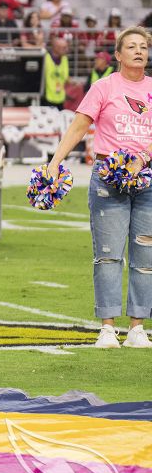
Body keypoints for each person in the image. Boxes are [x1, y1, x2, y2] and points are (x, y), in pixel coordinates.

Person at [43, 27, 152, 348]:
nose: (138, 51)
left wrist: (143, 158)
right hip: (108, 177)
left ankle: (137, 328)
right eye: (131, 46)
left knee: (145, 254)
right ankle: (107, 327)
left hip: (146, 178)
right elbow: (79, 127)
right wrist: (54, 162)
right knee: (108, 255)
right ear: (118, 55)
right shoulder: (103, 87)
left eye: (143, 46)